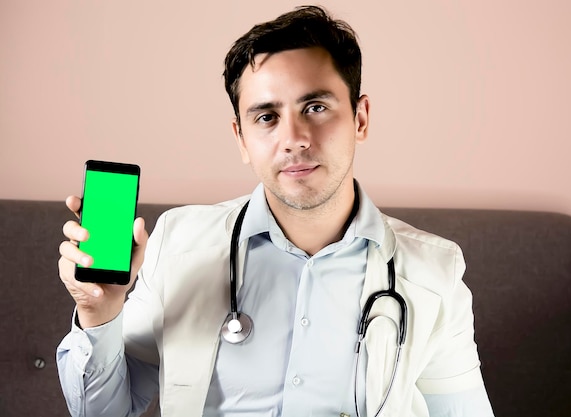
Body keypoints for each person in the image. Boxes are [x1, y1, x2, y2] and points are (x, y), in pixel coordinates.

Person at [57, 5, 495, 417]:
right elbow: (105, 410)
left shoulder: (435, 271)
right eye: (266, 117)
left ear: (360, 119)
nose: (295, 138)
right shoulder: (177, 243)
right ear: (241, 139)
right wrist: (100, 313)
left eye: (316, 107)